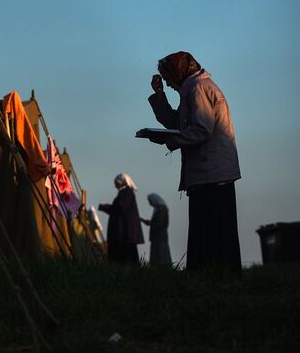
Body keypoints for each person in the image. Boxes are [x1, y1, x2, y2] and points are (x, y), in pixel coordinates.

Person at [146, 51, 241, 271]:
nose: (168, 84)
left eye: (168, 78)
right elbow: (176, 122)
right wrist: (159, 96)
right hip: (210, 174)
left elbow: (201, 130)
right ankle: (217, 280)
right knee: (212, 235)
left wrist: (168, 140)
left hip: (212, 175)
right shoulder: (192, 89)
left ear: (178, 73)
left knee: (211, 237)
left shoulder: (198, 89)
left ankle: (214, 280)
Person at [98, 174, 144, 264]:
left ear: (122, 182)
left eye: (116, 183)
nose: (115, 186)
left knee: (127, 255)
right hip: (123, 231)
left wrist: (106, 207)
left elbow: (120, 207)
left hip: (125, 231)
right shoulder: (125, 193)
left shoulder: (127, 192)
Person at [141, 194, 173, 267]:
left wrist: (150, 223)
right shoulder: (159, 208)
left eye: (150, 201)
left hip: (160, 235)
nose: (150, 203)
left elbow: (159, 223)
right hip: (157, 235)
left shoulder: (162, 209)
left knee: (161, 252)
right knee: (158, 252)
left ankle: (163, 267)